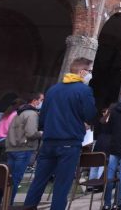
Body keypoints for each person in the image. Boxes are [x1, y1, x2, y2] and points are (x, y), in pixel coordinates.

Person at [24, 57, 97, 210]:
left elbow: (42, 118)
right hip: (69, 142)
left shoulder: (52, 89)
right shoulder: (84, 90)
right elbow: (90, 115)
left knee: (38, 182)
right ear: (82, 72)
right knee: (62, 185)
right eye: (90, 71)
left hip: (49, 142)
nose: (91, 74)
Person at [0, 92, 44, 205]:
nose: (42, 103)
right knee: (15, 178)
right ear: (35, 101)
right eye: (42, 100)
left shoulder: (17, 114)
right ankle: (8, 203)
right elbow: (30, 133)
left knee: (7, 176)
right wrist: (41, 133)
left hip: (11, 146)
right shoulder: (31, 114)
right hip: (22, 148)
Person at [89, 106, 114, 189]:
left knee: (95, 162)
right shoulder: (112, 121)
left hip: (99, 141)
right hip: (108, 142)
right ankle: (99, 184)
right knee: (103, 164)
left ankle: (91, 183)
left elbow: (96, 131)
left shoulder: (101, 120)